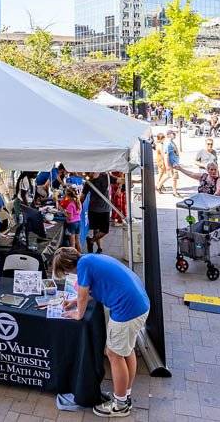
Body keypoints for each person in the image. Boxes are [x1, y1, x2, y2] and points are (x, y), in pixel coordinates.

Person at [52, 247, 150, 419]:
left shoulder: (83, 266)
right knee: (127, 351)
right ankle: (125, 395)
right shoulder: (89, 260)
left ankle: (120, 405)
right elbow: (93, 289)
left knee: (114, 354)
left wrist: (78, 313)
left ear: (67, 267)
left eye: (65, 272)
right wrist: (75, 301)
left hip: (127, 310)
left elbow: (83, 296)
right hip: (138, 305)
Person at [81, 172, 111, 254]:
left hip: (105, 209)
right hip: (93, 209)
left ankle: (91, 240)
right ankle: (99, 249)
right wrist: (78, 205)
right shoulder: (89, 182)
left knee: (105, 230)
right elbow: (83, 196)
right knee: (96, 230)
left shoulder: (105, 176)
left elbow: (118, 180)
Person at [161, 130, 181, 197]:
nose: (174, 135)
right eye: (173, 134)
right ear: (169, 135)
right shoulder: (168, 143)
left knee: (168, 176)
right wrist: (167, 165)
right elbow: (166, 154)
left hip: (174, 162)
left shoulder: (171, 142)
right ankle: (174, 192)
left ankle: (158, 187)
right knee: (174, 177)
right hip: (172, 163)